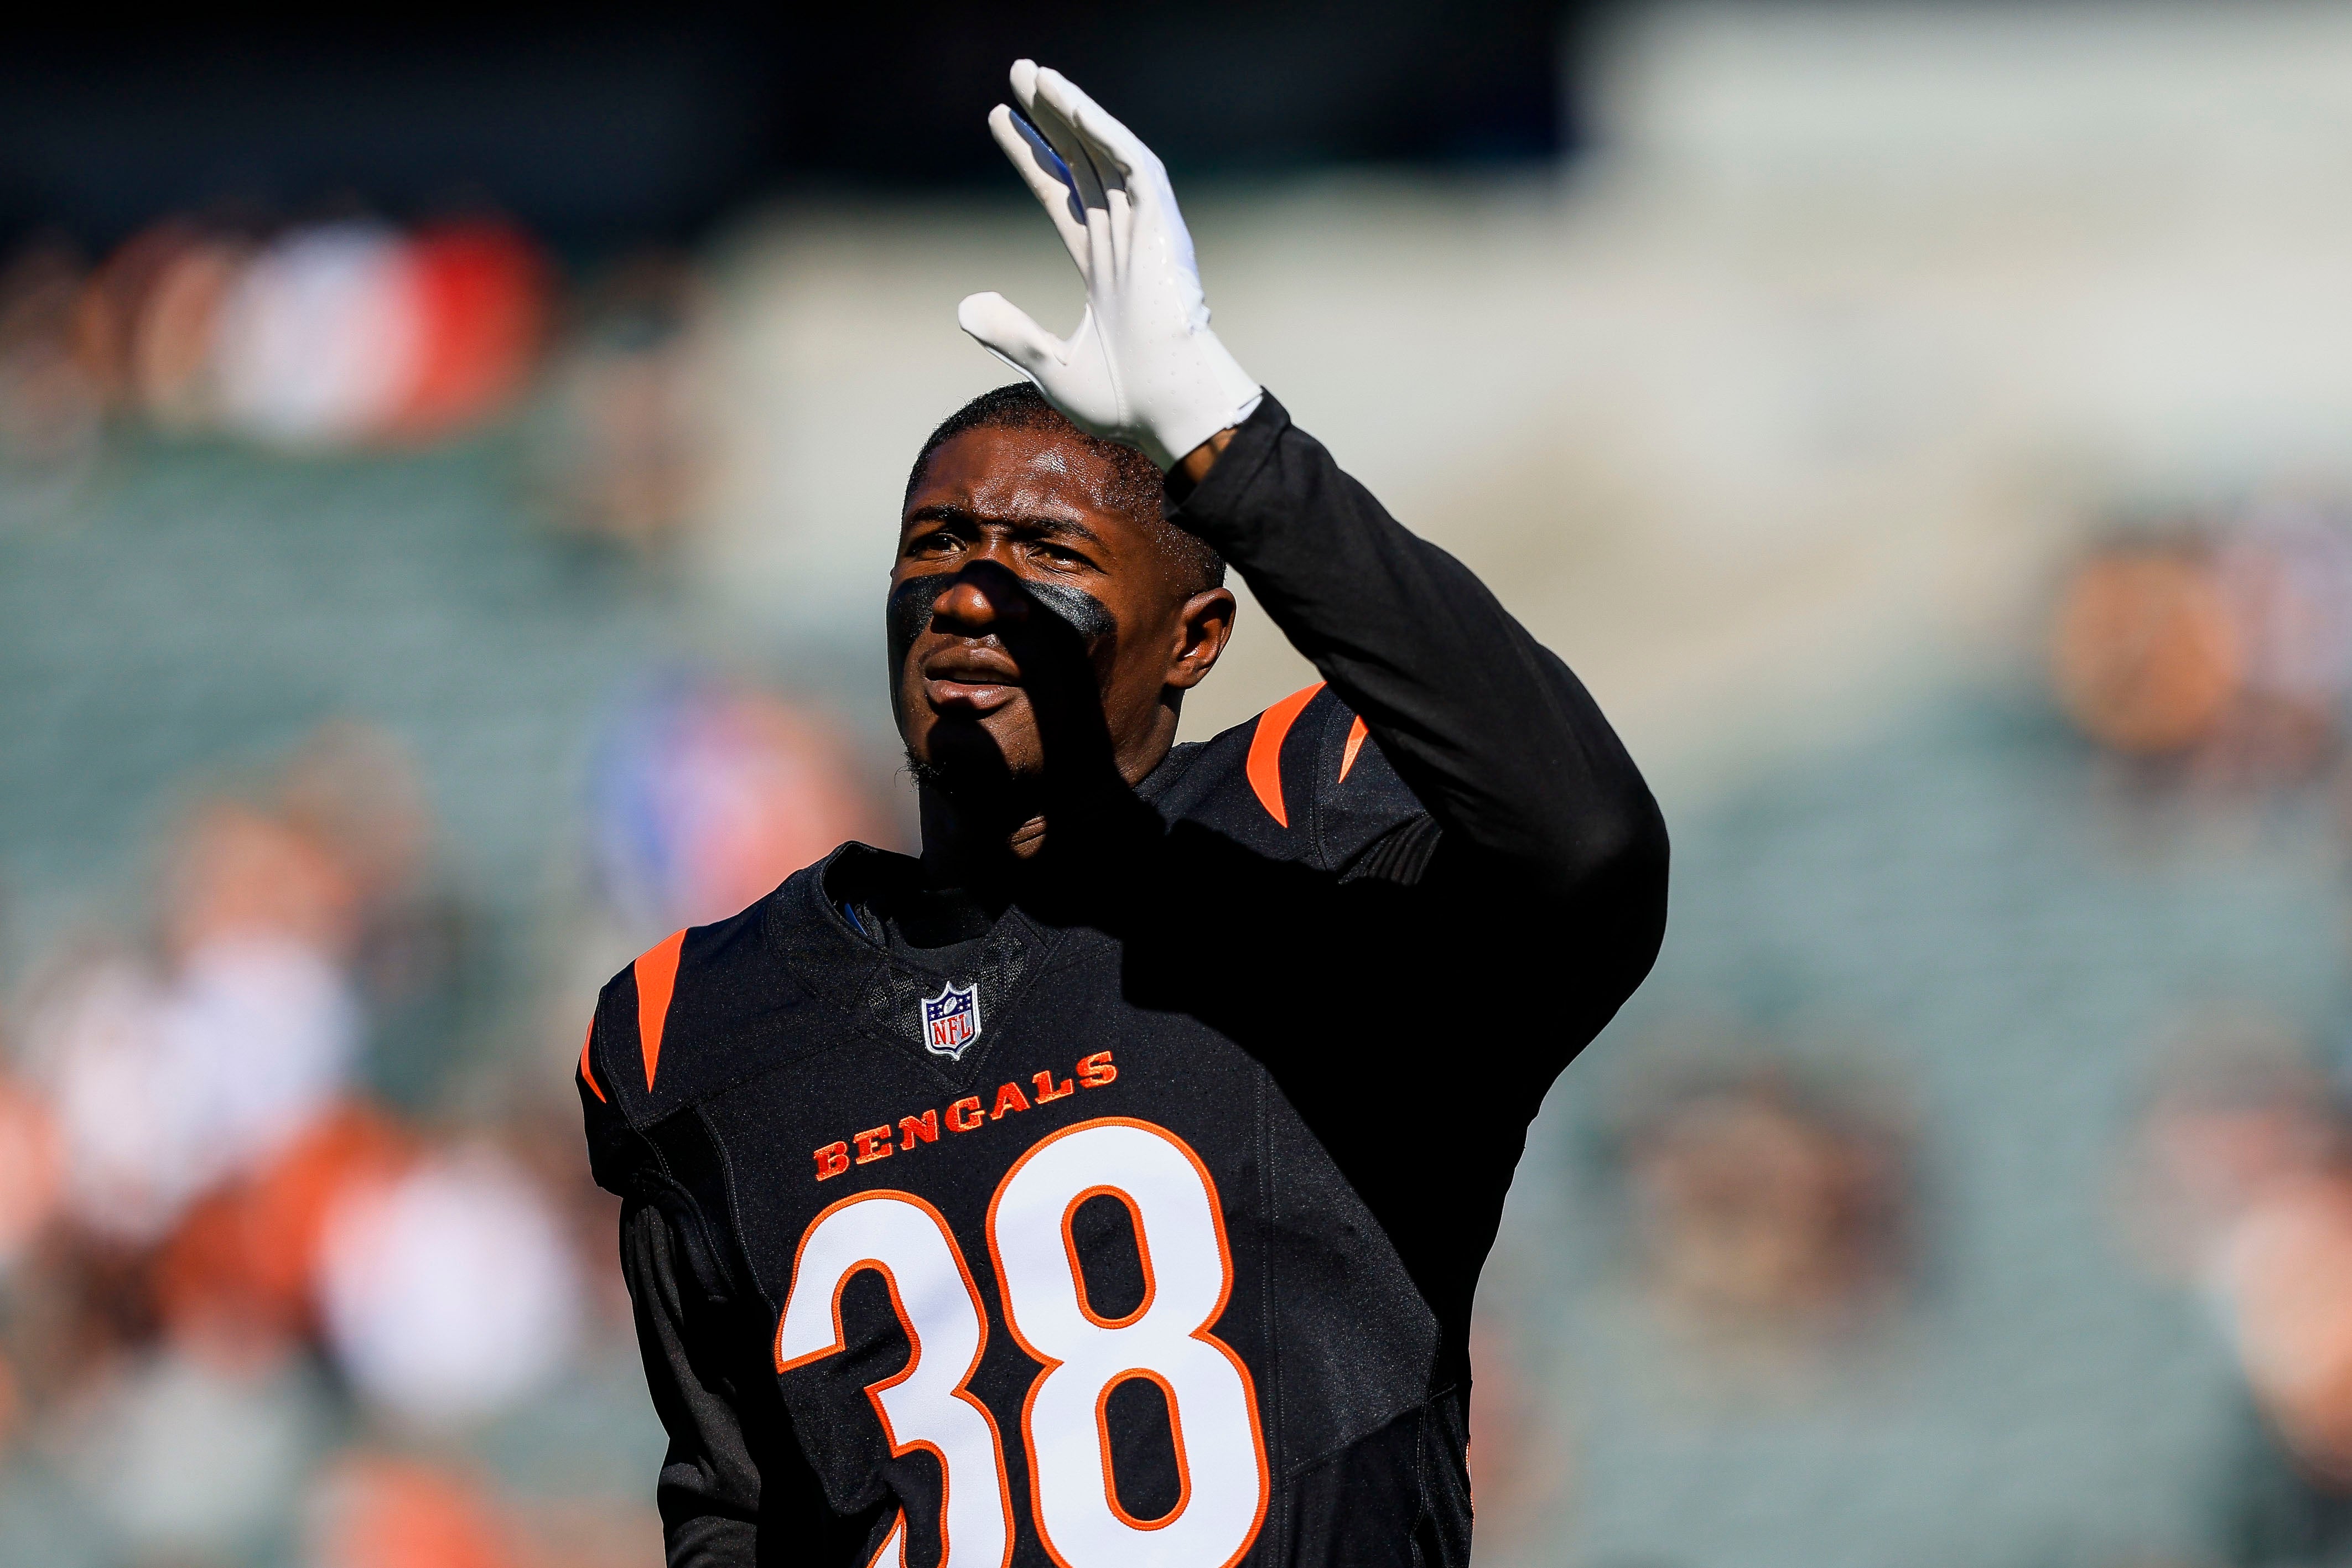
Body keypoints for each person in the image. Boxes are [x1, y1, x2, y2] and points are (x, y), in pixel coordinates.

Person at [579, 60, 1668, 1568]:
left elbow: (1588, 835)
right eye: (937, 541)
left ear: (1193, 639)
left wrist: (1224, 436)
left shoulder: (1309, 843)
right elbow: (737, 1505)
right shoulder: (698, 1028)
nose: (972, 584)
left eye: (1046, 547)